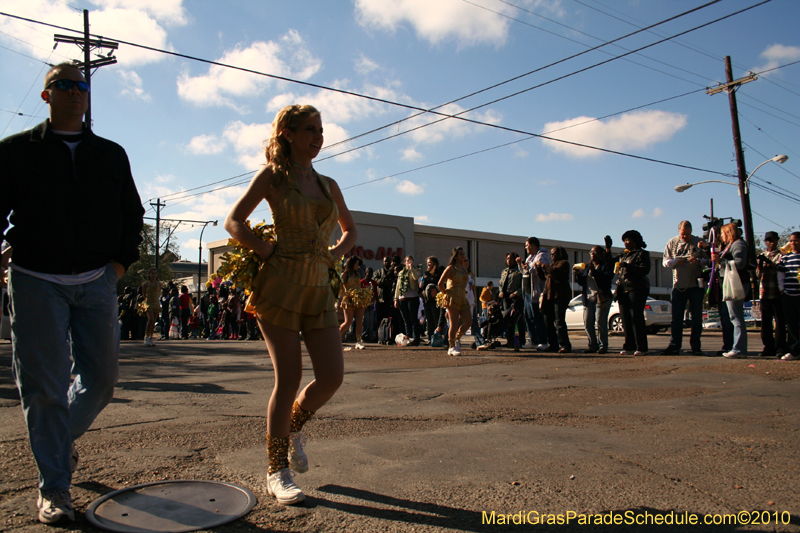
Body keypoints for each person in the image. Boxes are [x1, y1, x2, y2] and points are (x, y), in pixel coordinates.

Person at [0, 62, 144, 523]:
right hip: (35, 279)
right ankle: (55, 488)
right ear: (47, 95)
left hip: (96, 280)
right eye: (64, 84)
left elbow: (132, 213)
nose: (75, 91)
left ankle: (58, 446)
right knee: (44, 388)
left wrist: (118, 265)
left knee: (100, 381)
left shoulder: (110, 154)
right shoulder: (16, 150)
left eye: (82, 84)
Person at [224, 104, 356, 505]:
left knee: (332, 377)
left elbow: (350, 231)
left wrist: (333, 255)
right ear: (288, 133)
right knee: (289, 378)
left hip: (318, 288)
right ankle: (276, 470)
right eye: (310, 129)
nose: (318, 137)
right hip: (279, 285)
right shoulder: (273, 176)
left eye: (320, 129)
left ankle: (294, 427)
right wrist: (264, 249)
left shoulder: (329, 184)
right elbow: (233, 221)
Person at [661, 221, 709, 356]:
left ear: (691, 231)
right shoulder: (672, 242)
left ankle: (696, 346)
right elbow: (665, 262)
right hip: (678, 286)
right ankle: (674, 345)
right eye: (683, 234)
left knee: (696, 317)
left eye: (687, 234)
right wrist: (676, 261)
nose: (685, 237)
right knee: (676, 318)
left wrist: (698, 261)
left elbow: (709, 260)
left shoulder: (699, 242)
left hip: (695, 285)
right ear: (679, 232)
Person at [712, 223, 750, 359]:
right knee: (734, 317)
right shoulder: (732, 245)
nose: (721, 236)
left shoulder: (738, 244)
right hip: (731, 282)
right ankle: (738, 348)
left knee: (736, 317)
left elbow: (740, 263)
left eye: (723, 233)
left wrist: (721, 261)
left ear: (729, 233)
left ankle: (738, 349)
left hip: (736, 283)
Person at [614, 230, 651, 356]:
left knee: (636, 317)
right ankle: (629, 346)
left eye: (628, 240)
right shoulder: (623, 255)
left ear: (635, 241)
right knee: (625, 318)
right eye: (624, 240)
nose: (626, 242)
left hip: (636, 288)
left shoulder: (642, 253)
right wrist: (608, 249)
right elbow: (608, 262)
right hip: (622, 288)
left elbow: (645, 269)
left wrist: (628, 266)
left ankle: (641, 347)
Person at [575, 245, 614, 354]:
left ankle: (603, 346)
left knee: (601, 322)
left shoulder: (605, 266)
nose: (592, 254)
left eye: (595, 252)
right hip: (588, 298)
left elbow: (606, 280)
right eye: (591, 252)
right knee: (588, 322)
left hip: (601, 298)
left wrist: (594, 272)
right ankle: (592, 345)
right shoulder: (587, 267)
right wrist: (578, 274)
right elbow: (582, 282)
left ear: (601, 254)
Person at [536, 246, 572, 353]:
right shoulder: (551, 265)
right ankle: (553, 344)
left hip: (560, 296)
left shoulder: (564, 263)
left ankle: (565, 345)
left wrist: (543, 265)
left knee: (559, 321)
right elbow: (544, 277)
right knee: (548, 321)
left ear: (560, 254)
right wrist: (538, 268)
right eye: (551, 254)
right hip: (549, 297)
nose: (552, 256)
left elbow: (554, 272)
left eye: (554, 254)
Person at [757, 231, 787, 358]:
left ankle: (780, 346)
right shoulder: (762, 255)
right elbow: (758, 275)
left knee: (779, 322)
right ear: (765, 242)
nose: (771, 242)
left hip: (777, 292)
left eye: (774, 240)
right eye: (769, 240)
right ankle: (768, 347)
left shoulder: (781, 255)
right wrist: (760, 265)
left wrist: (770, 263)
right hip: (764, 293)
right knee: (766, 323)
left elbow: (781, 270)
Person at [438, 247, 472, 356]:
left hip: (462, 296)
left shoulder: (464, 268)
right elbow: (440, 283)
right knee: (454, 322)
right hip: (452, 296)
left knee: (469, 321)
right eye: (461, 254)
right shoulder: (451, 268)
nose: (463, 256)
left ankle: (456, 338)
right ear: (455, 256)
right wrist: (445, 294)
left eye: (463, 254)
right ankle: (451, 347)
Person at [777, 232, 800, 361]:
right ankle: (794, 350)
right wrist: (782, 289)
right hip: (788, 294)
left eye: (796, 240)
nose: (793, 243)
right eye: (791, 241)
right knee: (791, 324)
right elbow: (780, 274)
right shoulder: (786, 258)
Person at [340, 256, 368, 350]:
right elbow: (340, 288)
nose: (357, 266)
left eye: (358, 264)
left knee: (360, 321)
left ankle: (359, 342)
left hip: (359, 298)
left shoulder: (358, 274)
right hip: (349, 300)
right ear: (351, 264)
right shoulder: (345, 274)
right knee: (348, 322)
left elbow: (359, 286)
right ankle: (336, 337)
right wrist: (347, 293)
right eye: (356, 264)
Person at [394, 255, 422, 346]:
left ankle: (416, 338)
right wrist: (396, 299)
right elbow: (398, 286)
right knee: (406, 319)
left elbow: (416, 277)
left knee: (413, 318)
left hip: (412, 297)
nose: (409, 262)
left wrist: (411, 268)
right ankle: (408, 337)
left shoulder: (416, 270)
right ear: (404, 262)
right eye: (407, 261)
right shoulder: (401, 273)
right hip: (402, 298)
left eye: (411, 260)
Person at [499, 252, 523, 351]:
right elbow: (501, 284)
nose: (509, 260)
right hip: (506, 298)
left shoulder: (519, 271)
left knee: (517, 320)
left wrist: (516, 293)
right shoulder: (504, 271)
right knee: (507, 320)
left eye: (511, 259)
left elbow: (523, 285)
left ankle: (519, 342)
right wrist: (501, 291)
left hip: (515, 297)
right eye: (508, 258)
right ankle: (509, 341)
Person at [420, 256, 444, 339]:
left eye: (430, 262)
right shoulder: (426, 274)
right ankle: (430, 338)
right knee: (429, 319)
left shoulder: (438, 272)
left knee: (436, 318)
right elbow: (422, 287)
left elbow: (440, 284)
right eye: (427, 263)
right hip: (427, 300)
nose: (428, 264)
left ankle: (437, 337)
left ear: (434, 263)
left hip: (435, 300)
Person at [141, 268, 161, 346]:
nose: (154, 275)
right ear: (149, 274)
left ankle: (151, 337)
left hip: (156, 303)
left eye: (155, 273)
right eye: (152, 273)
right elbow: (144, 294)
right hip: (148, 302)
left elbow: (159, 293)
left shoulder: (159, 284)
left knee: (154, 321)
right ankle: (146, 335)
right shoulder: (146, 284)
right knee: (151, 319)